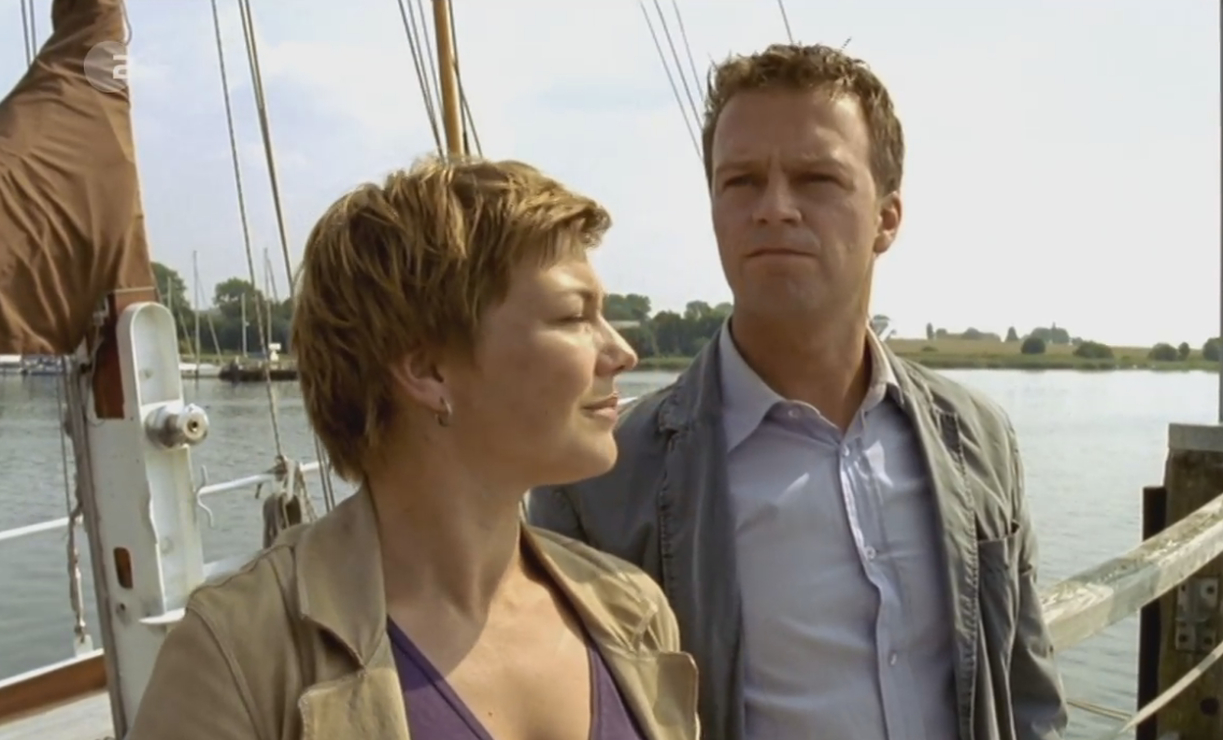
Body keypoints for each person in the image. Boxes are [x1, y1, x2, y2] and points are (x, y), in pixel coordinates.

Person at [528, 43, 1068, 740]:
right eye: (741, 181)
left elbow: (1027, 696)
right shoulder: (602, 477)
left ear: (887, 218)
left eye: (816, 178)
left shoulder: (978, 438)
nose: (774, 208)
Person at [127, 156, 699, 740]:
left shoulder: (631, 609)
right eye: (575, 316)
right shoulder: (240, 652)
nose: (622, 353)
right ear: (427, 370)